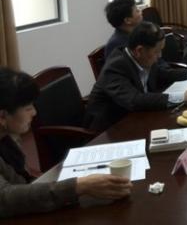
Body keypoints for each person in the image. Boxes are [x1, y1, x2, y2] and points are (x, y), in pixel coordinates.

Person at [0, 67, 132, 218]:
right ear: (3, 116)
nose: (34, 113)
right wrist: (79, 186)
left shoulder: (9, 134)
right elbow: (4, 198)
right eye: (28, 108)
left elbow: (21, 180)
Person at [85, 22, 187, 132]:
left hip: (138, 117)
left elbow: (163, 74)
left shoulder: (143, 57)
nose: (159, 56)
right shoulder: (115, 67)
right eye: (157, 51)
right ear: (139, 50)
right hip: (108, 129)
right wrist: (184, 96)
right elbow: (134, 100)